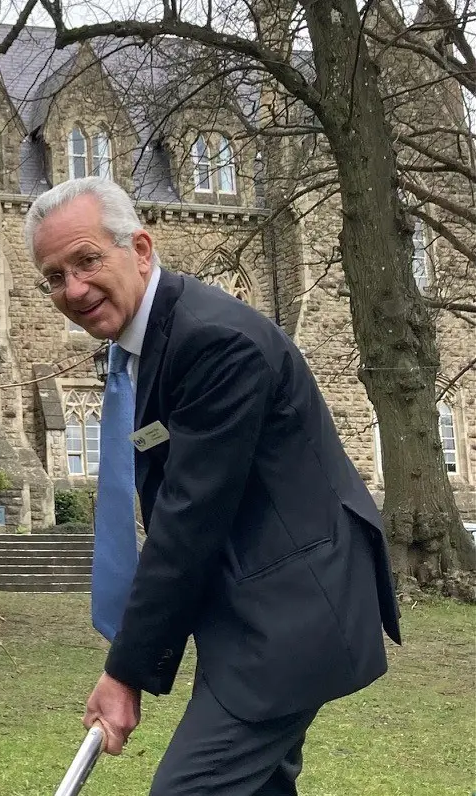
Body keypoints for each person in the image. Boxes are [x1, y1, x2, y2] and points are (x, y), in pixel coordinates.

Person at [24, 177, 401, 795]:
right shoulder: (145, 347)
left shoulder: (214, 342)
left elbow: (189, 520)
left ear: (140, 249)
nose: (73, 289)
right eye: (54, 275)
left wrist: (126, 675)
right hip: (247, 610)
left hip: (295, 608)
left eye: (87, 260)